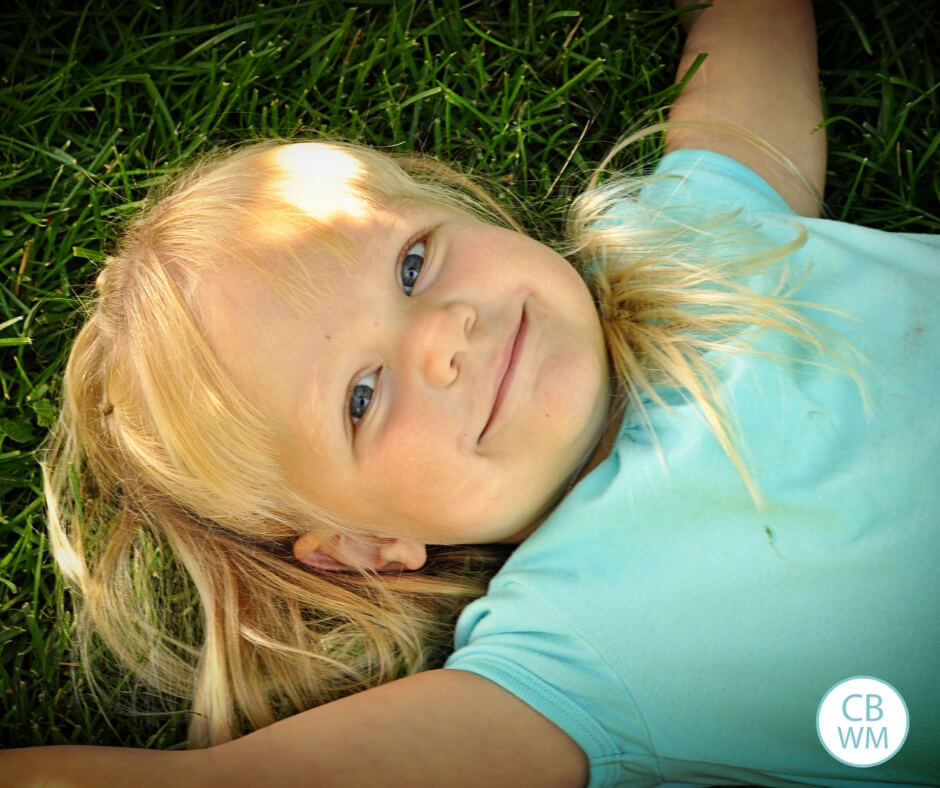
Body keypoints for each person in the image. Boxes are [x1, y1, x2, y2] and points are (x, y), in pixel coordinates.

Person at [4, 0, 939, 785]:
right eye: (363, 397)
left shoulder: (680, 236)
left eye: (412, 264)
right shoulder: (564, 659)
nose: (445, 336)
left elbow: (749, 57)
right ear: (364, 547)